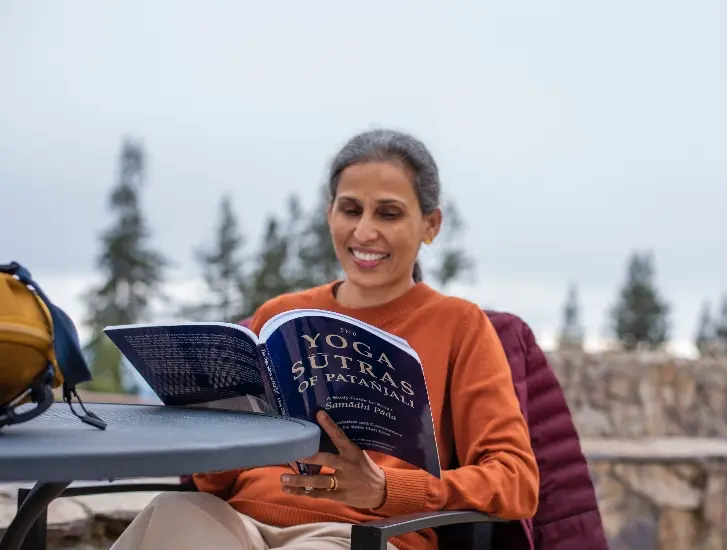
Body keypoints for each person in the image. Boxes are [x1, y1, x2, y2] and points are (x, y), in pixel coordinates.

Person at [110, 128, 540, 550]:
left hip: (359, 536)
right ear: (329, 212)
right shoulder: (279, 315)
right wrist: (212, 431)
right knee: (169, 513)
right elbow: (215, 481)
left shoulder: (460, 325)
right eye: (351, 210)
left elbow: (516, 480)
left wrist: (386, 487)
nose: (365, 232)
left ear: (431, 224)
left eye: (388, 213)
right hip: (240, 523)